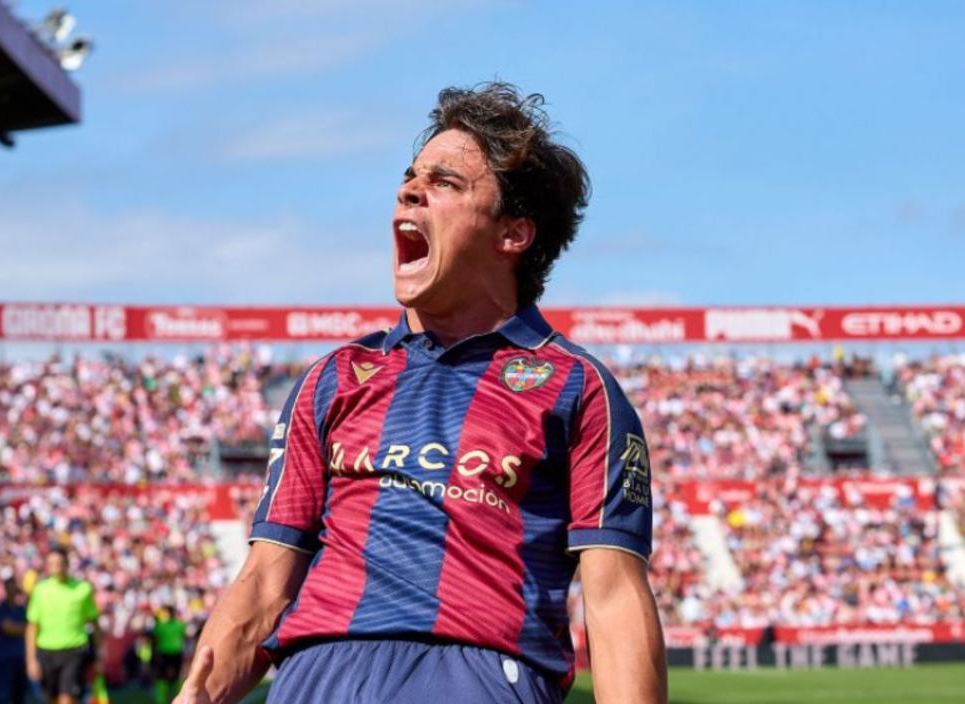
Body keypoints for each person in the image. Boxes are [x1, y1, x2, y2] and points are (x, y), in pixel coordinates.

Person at [173, 81, 667, 704]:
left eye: (445, 182)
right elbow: (266, 578)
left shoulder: (578, 387)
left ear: (512, 234)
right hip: (313, 678)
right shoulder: (331, 378)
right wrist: (200, 691)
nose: (410, 190)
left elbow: (614, 593)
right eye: (410, 177)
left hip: (474, 677)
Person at [25, 547, 101, 704]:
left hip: (74, 650)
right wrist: (31, 660)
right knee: (51, 699)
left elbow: (95, 624)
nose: (56, 567)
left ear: (66, 564)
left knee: (66, 699)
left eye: (59, 563)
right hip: (47, 651)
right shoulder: (40, 590)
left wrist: (99, 655)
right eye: (52, 563)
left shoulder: (82, 589)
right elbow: (32, 628)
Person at [0, 578, 28, 704]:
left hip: (20, 658)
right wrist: (25, 629)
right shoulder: (1, 609)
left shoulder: (21, 609)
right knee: (3, 694)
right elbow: (8, 628)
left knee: (20, 695)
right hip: (4, 659)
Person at [150, 607, 186, 704]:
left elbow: (154, 637)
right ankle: (173, 696)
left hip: (168, 652)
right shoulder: (179, 624)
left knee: (165, 675)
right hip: (170, 652)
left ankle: (163, 697)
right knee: (171, 675)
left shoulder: (161, 625)